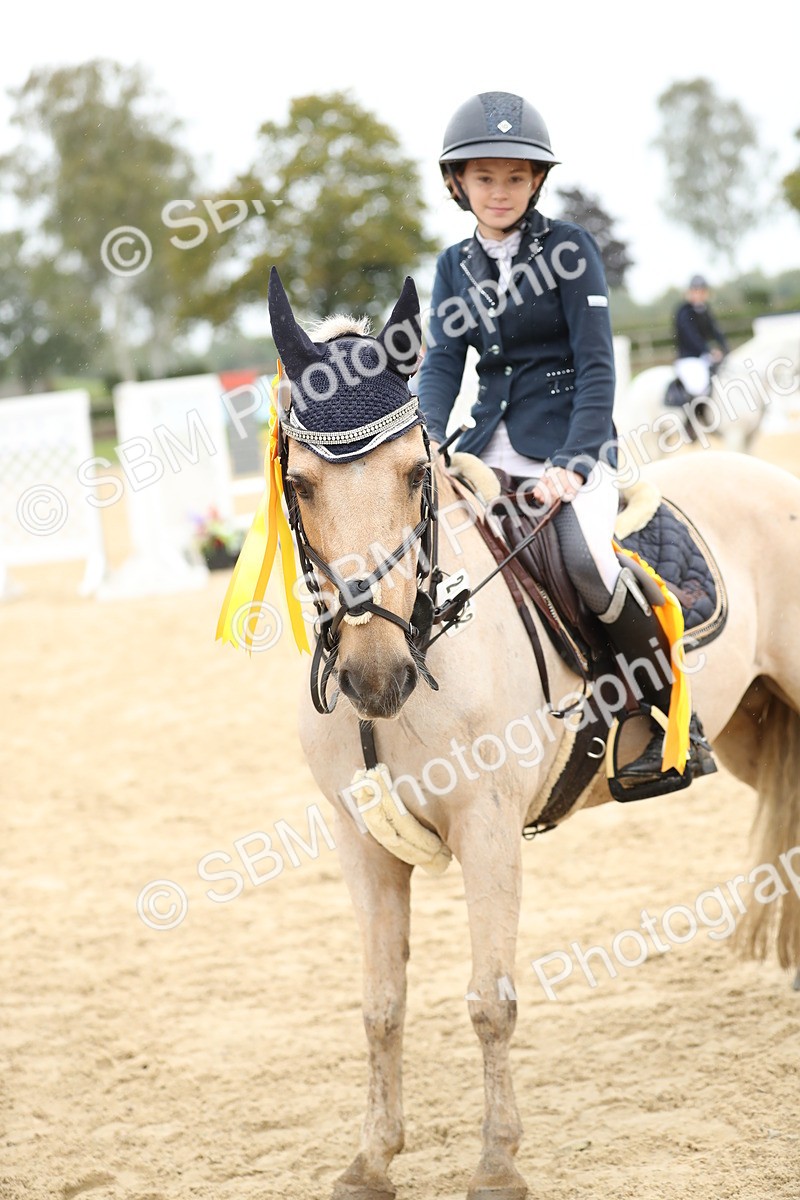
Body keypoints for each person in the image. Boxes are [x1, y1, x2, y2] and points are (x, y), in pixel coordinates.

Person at [417, 90, 716, 790]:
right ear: (457, 183)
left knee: (588, 564)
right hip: (484, 445)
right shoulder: (452, 268)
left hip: (572, 447)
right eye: (485, 177)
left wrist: (575, 465)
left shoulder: (572, 250)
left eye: (515, 177)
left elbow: (596, 365)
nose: (500, 191)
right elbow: (439, 365)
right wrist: (428, 441)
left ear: (537, 181)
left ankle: (674, 721)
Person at [673, 275, 729, 398]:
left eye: (702, 291)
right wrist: (709, 350)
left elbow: (715, 331)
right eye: (696, 291)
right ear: (690, 292)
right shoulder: (683, 311)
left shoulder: (705, 310)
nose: (699, 294)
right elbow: (691, 336)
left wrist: (725, 348)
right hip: (689, 358)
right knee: (699, 387)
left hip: (704, 357)